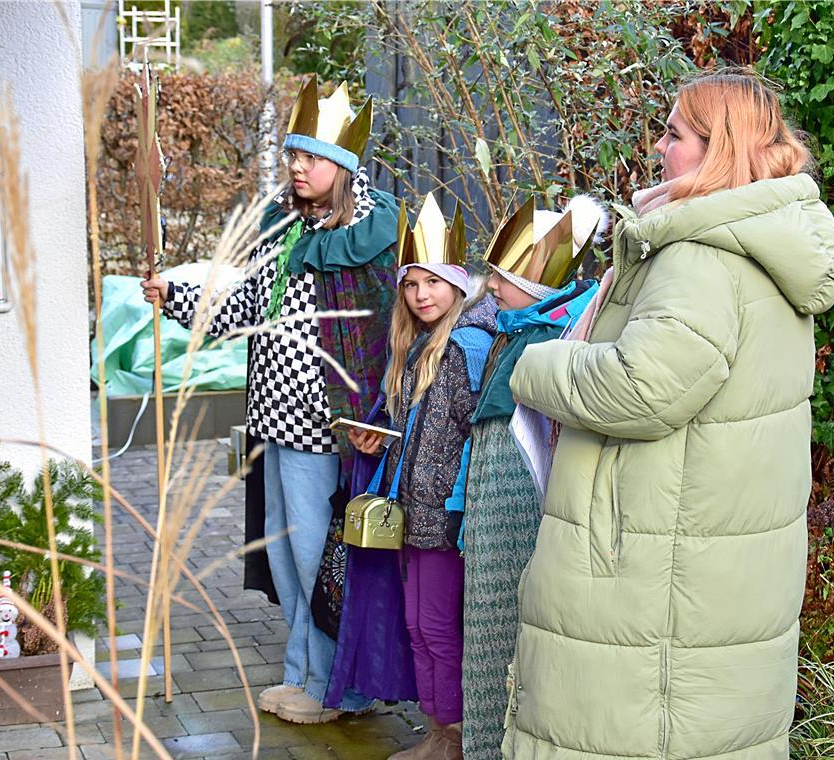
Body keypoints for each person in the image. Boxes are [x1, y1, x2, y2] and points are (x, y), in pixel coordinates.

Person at [501, 71, 834, 759]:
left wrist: (533, 365)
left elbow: (643, 387)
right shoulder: (759, 242)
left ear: (717, 149)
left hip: (655, 583)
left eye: (674, 134)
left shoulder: (701, 256)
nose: (658, 147)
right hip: (706, 575)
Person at [142, 75, 399, 725]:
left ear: (341, 165)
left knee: (323, 556)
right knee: (284, 550)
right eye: (293, 154)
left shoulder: (370, 227)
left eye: (310, 157)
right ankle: (303, 674)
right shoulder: (283, 226)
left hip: (329, 424)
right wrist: (175, 300)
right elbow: (247, 309)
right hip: (274, 417)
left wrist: (378, 417)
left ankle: (338, 687)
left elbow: (390, 329)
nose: (297, 166)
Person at [350, 194, 496, 760]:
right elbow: (419, 435)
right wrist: (381, 442)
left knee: (437, 629)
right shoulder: (414, 352)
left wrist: (458, 508)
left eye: (432, 282)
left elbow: (471, 434)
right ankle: (437, 731)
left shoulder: (463, 349)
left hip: (446, 518)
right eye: (411, 285)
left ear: (457, 285)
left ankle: (453, 739)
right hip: (413, 512)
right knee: (417, 629)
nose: (421, 295)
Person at [460, 195, 607, 760]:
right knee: (487, 648)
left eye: (503, 277)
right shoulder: (512, 334)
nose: (492, 287)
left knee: (511, 650)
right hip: (491, 524)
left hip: (524, 524)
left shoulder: (552, 342)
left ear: (538, 286)